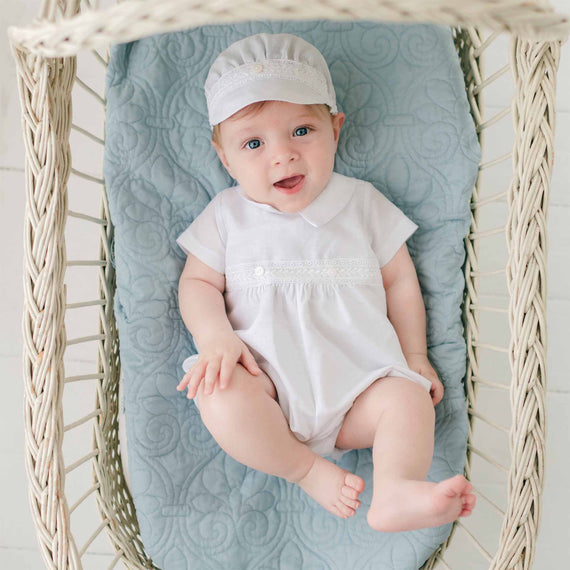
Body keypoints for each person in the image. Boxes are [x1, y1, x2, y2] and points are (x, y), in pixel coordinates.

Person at [176, 33, 476, 532]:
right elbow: (197, 284)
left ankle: (396, 488)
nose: (283, 156)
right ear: (224, 157)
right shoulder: (227, 216)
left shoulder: (363, 203)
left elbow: (401, 281)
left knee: (408, 400)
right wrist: (215, 338)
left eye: (301, 131)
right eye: (253, 143)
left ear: (335, 129)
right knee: (219, 394)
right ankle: (305, 470)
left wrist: (415, 357)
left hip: (361, 385)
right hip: (265, 383)